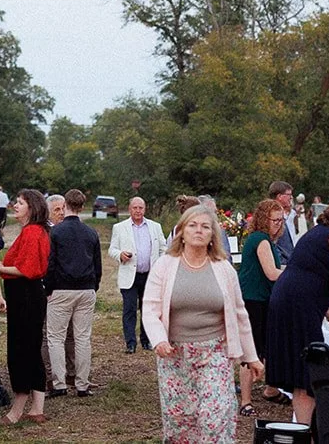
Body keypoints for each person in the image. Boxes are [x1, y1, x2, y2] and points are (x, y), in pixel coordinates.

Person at [141, 202, 262, 444]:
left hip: (214, 352)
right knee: (180, 421)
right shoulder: (164, 266)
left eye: (205, 227)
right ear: (182, 232)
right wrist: (159, 341)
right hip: (174, 354)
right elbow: (150, 309)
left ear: (212, 236)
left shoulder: (223, 268)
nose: (199, 230)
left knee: (214, 416)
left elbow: (240, 315)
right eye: (193, 225)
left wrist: (251, 356)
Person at [266, 196, 329, 427]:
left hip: (284, 297)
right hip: (300, 304)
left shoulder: (316, 232)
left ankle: (304, 429)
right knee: (309, 368)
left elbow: (310, 274)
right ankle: (307, 431)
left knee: (301, 374)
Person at [0, 189, 51, 424]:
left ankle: (17, 410)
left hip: (26, 296)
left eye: (20, 203)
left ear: (32, 207)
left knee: (21, 351)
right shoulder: (34, 231)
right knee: (31, 349)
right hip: (28, 296)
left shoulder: (31, 232)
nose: (15, 206)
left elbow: (26, 269)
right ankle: (37, 407)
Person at [45, 188, 102, 397]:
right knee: (82, 338)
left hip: (61, 289)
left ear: (66, 206)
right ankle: (82, 384)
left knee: (56, 338)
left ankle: (59, 383)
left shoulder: (57, 232)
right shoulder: (91, 232)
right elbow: (98, 265)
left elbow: (50, 264)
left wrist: (48, 288)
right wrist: (94, 286)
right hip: (86, 289)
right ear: (82, 207)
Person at [237, 198, 285, 414]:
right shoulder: (261, 240)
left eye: (281, 220)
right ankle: (245, 401)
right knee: (252, 349)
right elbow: (272, 273)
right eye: (274, 220)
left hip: (262, 298)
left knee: (266, 345)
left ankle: (271, 388)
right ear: (264, 220)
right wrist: (295, 273)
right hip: (253, 299)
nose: (278, 224)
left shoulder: (265, 240)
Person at [108, 196, 166, 353]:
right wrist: (120, 254)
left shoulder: (155, 227)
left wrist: (160, 266)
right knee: (130, 309)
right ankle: (130, 342)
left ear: (145, 209)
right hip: (129, 275)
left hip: (150, 275)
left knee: (148, 309)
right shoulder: (120, 227)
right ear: (129, 209)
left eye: (141, 208)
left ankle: (147, 340)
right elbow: (111, 249)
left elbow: (163, 249)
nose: (138, 211)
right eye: (135, 208)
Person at [267, 181, 296, 267]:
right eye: (289, 195)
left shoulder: (288, 215)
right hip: (282, 266)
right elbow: (273, 243)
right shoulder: (271, 217)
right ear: (279, 196)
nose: (291, 198)